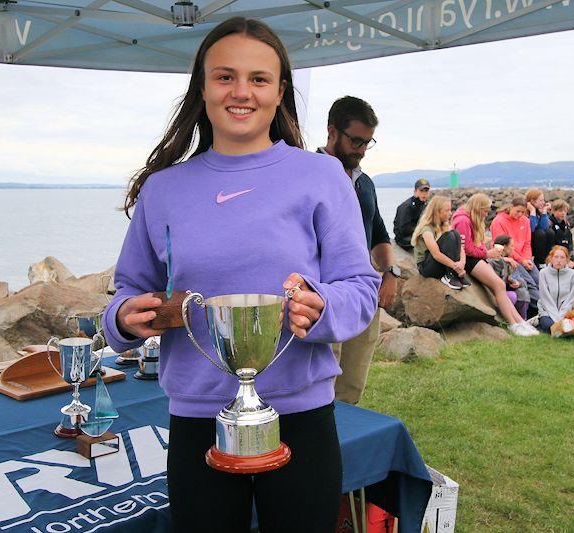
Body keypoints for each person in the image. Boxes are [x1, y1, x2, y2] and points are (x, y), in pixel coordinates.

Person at [101, 18, 380, 532]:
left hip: (301, 415)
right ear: (202, 88)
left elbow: (361, 287)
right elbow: (128, 289)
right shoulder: (163, 190)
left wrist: (322, 307)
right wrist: (123, 317)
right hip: (197, 417)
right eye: (225, 77)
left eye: (258, 79)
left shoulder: (322, 177)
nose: (241, 92)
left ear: (279, 92)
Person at [319, 95, 397, 405]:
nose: (362, 150)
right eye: (356, 141)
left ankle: (345, 444)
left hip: (363, 293)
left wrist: (390, 273)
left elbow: (377, 230)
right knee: (321, 384)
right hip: (322, 295)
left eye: (368, 142)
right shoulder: (308, 174)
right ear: (332, 132)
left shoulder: (366, 183)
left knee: (352, 384)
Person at [451, 193, 538, 336]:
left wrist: (485, 252)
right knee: (498, 285)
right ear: (478, 208)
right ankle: (514, 324)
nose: (486, 214)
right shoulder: (463, 221)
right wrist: (486, 254)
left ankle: (519, 322)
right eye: (485, 210)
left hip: (474, 258)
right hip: (468, 261)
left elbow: (474, 245)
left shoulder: (468, 218)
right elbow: (465, 249)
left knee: (500, 285)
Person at [411, 196, 471, 289]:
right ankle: (449, 275)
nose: (450, 213)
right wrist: (456, 267)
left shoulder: (444, 225)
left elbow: (461, 248)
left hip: (443, 263)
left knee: (455, 233)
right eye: (447, 211)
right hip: (426, 267)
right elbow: (436, 254)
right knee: (448, 236)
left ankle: (455, 274)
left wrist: (462, 263)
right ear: (437, 212)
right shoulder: (426, 230)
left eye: (450, 210)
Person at [489, 196, 540, 304]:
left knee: (539, 280)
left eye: (523, 212)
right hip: (511, 259)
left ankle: (545, 308)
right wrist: (522, 261)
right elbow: (504, 248)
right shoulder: (499, 221)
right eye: (518, 211)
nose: (520, 214)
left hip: (524, 258)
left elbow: (527, 242)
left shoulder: (525, 221)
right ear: (511, 207)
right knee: (529, 283)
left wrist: (527, 259)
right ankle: (542, 308)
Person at [536, 246, 574, 333]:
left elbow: (570, 299)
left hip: (565, 312)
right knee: (550, 325)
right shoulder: (543, 273)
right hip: (547, 311)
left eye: (562, 257)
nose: (559, 260)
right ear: (551, 258)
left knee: (571, 326)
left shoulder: (573, 275)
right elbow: (545, 298)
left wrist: (562, 315)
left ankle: (560, 329)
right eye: (556, 257)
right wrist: (556, 318)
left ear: (566, 259)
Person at [489, 235, 530, 318]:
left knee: (523, 292)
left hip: (506, 290)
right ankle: (507, 319)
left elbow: (523, 282)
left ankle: (523, 320)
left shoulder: (511, 262)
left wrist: (516, 282)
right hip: (492, 293)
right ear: (504, 247)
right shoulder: (491, 260)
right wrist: (502, 259)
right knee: (512, 296)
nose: (513, 248)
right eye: (511, 246)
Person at [394, 178, 431, 251]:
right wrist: (422, 230)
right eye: (421, 191)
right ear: (415, 191)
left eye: (426, 191)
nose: (424, 193)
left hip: (415, 233)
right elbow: (404, 229)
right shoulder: (407, 206)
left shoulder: (423, 204)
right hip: (404, 238)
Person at [526, 188, 554, 268]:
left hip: (539, 244)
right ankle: (540, 262)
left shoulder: (539, 210)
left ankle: (548, 260)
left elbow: (545, 227)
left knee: (550, 232)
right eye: (541, 200)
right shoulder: (525, 211)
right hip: (529, 243)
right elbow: (531, 229)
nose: (544, 202)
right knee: (539, 233)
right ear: (532, 201)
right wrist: (532, 212)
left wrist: (544, 212)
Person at [549, 199, 574, 267]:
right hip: (554, 256)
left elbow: (570, 245)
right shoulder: (550, 224)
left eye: (565, 211)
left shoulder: (567, 226)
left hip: (565, 255)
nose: (563, 213)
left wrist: (570, 259)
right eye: (560, 211)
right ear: (553, 211)